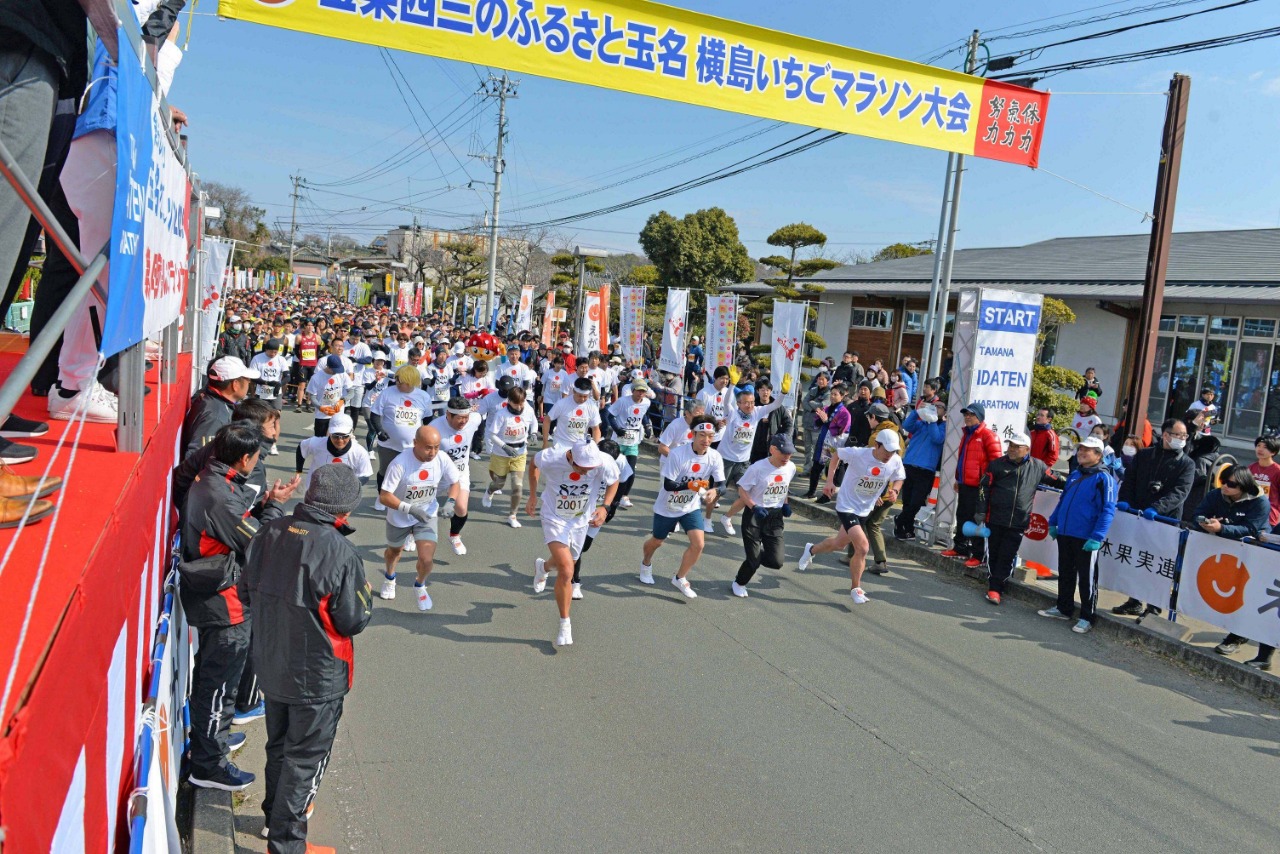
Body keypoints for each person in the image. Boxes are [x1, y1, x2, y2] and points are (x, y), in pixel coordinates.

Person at [240, 464, 373, 852]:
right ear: (344, 511)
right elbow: (353, 618)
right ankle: (286, 844)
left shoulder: (270, 531)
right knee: (306, 762)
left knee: (279, 747)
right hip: (318, 676)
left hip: (271, 663)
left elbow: (246, 592)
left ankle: (274, 824)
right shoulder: (341, 551)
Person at [182, 423, 295, 792]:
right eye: (258, 457)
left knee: (213, 681)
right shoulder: (219, 493)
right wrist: (275, 506)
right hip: (224, 601)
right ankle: (209, 763)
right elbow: (260, 543)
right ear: (245, 458)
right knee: (219, 685)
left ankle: (209, 744)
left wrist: (265, 503)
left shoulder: (212, 478)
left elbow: (241, 527)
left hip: (220, 595)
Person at [526, 440, 619, 645]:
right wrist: (532, 495)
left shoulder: (603, 461)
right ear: (571, 458)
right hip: (554, 517)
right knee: (567, 570)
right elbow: (533, 464)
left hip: (580, 520)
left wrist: (605, 507)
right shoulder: (552, 457)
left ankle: (543, 567)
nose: (587, 473)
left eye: (590, 469)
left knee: (568, 561)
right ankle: (565, 624)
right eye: (582, 469)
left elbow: (614, 481)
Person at [797, 429, 905, 604]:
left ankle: (811, 550)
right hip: (847, 505)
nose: (889, 455)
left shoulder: (895, 460)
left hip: (865, 508)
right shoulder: (859, 453)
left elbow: (899, 477)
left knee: (839, 544)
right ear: (876, 445)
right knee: (862, 547)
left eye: (893, 451)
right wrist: (830, 480)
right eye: (886, 450)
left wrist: (895, 490)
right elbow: (836, 455)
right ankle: (856, 589)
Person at [1038, 436, 1118, 634]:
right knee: (1065, 572)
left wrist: (1097, 537)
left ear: (1098, 455)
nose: (1082, 453)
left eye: (1087, 450)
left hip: (1086, 537)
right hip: (1065, 533)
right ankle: (1063, 608)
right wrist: (1053, 522)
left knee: (1086, 578)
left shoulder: (1104, 478)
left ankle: (1086, 617)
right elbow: (1062, 500)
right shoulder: (1074, 474)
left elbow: (1108, 510)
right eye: (1080, 449)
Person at [377, 425, 462, 611]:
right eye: (428, 447)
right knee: (394, 552)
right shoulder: (399, 463)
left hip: (427, 514)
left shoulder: (442, 458)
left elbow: (455, 482)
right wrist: (410, 509)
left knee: (426, 559)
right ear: (415, 443)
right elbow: (384, 496)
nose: (433, 452)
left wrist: (451, 501)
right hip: (399, 516)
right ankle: (390, 578)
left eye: (437, 447)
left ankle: (420, 585)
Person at [639, 416, 724, 599]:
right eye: (702, 435)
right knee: (657, 541)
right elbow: (669, 485)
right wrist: (692, 486)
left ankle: (680, 577)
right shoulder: (678, 454)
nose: (706, 440)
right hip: (667, 506)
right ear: (693, 434)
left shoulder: (714, 456)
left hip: (690, 507)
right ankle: (646, 563)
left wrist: (715, 491)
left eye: (710, 436)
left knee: (699, 544)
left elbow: (722, 484)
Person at [1202, 466, 1275, 669]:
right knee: (1248, 598)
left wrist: (1223, 528)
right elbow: (1199, 513)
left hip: (1259, 557)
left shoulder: (1259, 502)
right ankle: (1243, 641)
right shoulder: (1217, 495)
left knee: (1264, 605)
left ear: (1244, 485)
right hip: (1242, 557)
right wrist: (1205, 523)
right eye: (1223, 481)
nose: (1225, 486)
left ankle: (1261, 655)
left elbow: (1252, 527)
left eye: (1231, 483)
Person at [974, 432, 1055, 605]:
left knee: (1007, 555)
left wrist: (1080, 479)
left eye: (1016, 446)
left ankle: (996, 588)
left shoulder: (1038, 466)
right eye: (1010, 445)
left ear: (1027, 449)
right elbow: (983, 488)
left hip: (1019, 520)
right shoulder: (996, 465)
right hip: (994, 518)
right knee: (994, 554)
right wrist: (980, 510)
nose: (1011, 449)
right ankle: (994, 584)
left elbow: (1058, 480)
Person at [724, 434, 797, 597]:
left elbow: (784, 487)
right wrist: (753, 506)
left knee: (776, 561)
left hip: (775, 517)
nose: (787, 456)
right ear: (772, 449)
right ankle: (739, 582)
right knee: (754, 560)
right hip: (755, 515)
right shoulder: (757, 468)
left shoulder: (790, 467)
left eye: (790, 453)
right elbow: (742, 489)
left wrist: (785, 504)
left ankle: (754, 557)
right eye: (783, 452)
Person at [367, 364, 434, 522]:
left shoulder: (423, 397)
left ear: (411, 382)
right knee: (384, 472)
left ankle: (404, 503)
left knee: (409, 477)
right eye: (396, 379)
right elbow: (375, 415)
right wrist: (379, 431)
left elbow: (428, 419)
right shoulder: (388, 393)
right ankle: (381, 496)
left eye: (401, 380)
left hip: (412, 446)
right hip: (389, 444)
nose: (397, 382)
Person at [715, 385, 785, 534]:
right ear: (739, 403)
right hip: (726, 458)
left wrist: (783, 392)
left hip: (744, 461)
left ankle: (727, 517)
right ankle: (707, 518)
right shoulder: (733, 413)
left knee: (748, 493)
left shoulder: (757, 412)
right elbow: (727, 402)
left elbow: (776, 404)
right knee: (718, 491)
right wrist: (732, 385)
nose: (750, 405)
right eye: (746, 402)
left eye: (752, 402)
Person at [940, 402, 1002, 567]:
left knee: (977, 520)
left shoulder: (989, 436)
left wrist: (986, 483)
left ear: (979, 418)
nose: (967, 417)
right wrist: (959, 479)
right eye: (966, 414)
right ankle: (960, 547)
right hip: (966, 484)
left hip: (980, 487)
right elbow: (962, 460)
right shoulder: (967, 434)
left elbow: (996, 464)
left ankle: (978, 554)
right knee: (962, 516)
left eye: (971, 414)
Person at [568, 439, 628, 600]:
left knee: (584, 547)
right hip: (580, 506)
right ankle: (574, 581)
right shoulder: (584, 459)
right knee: (576, 548)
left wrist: (610, 507)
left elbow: (623, 482)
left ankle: (563, 565)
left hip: (599, 509)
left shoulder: (620, 462)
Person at [428, 396, 483, 555]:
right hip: (437, 474)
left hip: (459, 472)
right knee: (420, 505)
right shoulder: (435, 427)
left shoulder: (473, 419)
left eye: (466, 417)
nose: (464, 421)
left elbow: (480, 417)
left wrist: (478, 440)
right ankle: (411, 533)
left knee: (461, 507)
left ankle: (454, 535)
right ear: (448, 415)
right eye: (459, 418)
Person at [182, 356, 260, 459]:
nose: (249, 382)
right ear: (235, 384)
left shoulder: (211, 400)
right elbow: (197, 457)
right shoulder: (216, 415)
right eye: (246, 378)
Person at [483, 385, 536, 528]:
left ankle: (512, 515)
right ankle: (490, 491)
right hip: (502, 454)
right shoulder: (501, 414)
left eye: (522, 403)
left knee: (517, 487)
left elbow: (534, 422)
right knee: (499, 483)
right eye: (516, 403)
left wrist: (534, 433)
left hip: (520, 454)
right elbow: (492, 434)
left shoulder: (528, 410)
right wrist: (504, 446)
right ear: (509, 401)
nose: (519, 407)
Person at [894, 397, 945, 540]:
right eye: (934, 406)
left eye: (939, 407)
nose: (936, 408)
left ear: (945, 412)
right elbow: (907, 425)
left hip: (926, 469)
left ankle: (900, 520)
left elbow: (937, 439)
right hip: (909, 464)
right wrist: (918, 412)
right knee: (907, 501)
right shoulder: (922, 423)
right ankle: (905, 530)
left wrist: (933, 421)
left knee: (916, 502)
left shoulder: (943, 426)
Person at [295, 412, 373, 491]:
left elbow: (365, 475)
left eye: (344, 436)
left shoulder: (359, 452)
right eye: (335, 436)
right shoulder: (316, 443)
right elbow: (301, 447)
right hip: (315, 492)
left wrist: (351, 485)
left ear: (351, 433)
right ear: (329, 433)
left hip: (343, 496)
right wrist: (298, 471)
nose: (340, 440)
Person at [605, 379, 650, 508]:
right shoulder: (623, 401)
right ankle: (608, 491)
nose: (641, 394)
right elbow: (609, 416)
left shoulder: (646, 402)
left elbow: (644, 414)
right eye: (638, 391)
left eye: (643, 391)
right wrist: (617, 429)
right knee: (613, 469)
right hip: (618, 441)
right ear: (633, 391)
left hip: (633, 441)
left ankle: (624, 496)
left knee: (630, 471)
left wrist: (647, 426)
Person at [805, 382, 851, 500]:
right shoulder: (826, 408)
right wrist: (821, 418)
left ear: (842, 396)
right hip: (822, 441)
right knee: (816, 467)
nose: (832, 396)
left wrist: (826, 421)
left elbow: (839, 431)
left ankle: (827, 495)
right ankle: (811, 492)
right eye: (831, 394)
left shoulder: (844, 413)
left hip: (833, 445)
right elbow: (817, 423)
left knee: (830, 470)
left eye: (835, 394)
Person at [544, 377, 602, 449]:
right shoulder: (562, 404)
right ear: (574, 391)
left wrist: (595, 447)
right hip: (561, 445)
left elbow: (596, 429)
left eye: (585, 396)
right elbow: (547, 420)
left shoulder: (592, 406)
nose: (582, 399)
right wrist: (545, 442)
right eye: (580, 396)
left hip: (580, 447)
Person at [306, 354, 353, 438]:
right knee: (319, 439)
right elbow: (312, 397)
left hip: (338, 412)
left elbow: (351, 392)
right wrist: (321, 407)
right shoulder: (316, 378)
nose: (336, 372)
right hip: (322, 414)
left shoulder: (342, 374)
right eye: (334, 370)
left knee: (337, 438)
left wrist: (342, 401)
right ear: (328, 367)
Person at [749, 380, 793, 464]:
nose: (765, 392)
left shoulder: (778, 406)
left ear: (771, 391)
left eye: (768, 390)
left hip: (771, 446)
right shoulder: (753, 406)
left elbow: (788, 423)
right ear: (757, 391)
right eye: (762, 390)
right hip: (754, 446)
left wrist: (785, 437)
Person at [1248, 434, 1280, 531]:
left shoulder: (1277, 470)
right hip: (1250, 512)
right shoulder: (1251, 468)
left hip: (1269, 516)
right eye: (1258, 446)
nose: (1260, 450)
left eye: (1265, 447)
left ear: (1273, 452)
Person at [696, 366, 732, 445]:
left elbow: (733, 412)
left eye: (727, 379)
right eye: (722, 378)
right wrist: (713, 422)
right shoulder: (704, 393)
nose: (725, 381)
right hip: (706, 435)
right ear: (715, 378)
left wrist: (726, 421)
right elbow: (697, 414)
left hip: (723, 436)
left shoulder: (729, 393)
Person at [801, 372, 832, 459]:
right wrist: (813, 408)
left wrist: (811, 403)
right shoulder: (813, 390)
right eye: (819, 379)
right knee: (807, 449)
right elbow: (804, 402)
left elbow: (823, 406)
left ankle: (814, 470)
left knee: (816, 448)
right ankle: (807, 469)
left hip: (817, 426)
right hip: (807, 423)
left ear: (828, 381)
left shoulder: (829, 394)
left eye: (822, 379)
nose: (820, 381)